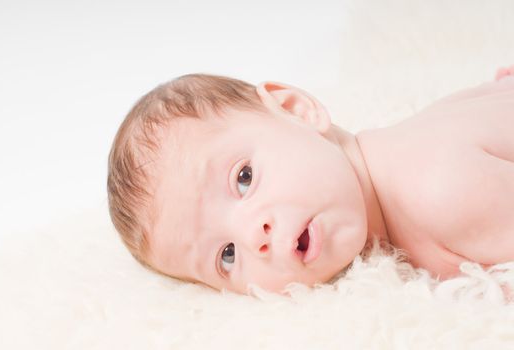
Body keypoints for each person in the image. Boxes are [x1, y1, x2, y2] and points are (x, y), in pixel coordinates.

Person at [107, 68, 514, 294]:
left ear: (297, 111)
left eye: (244, 179)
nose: (254, 236)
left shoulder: (439, 191)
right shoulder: (399, 163)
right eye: (226, 256)